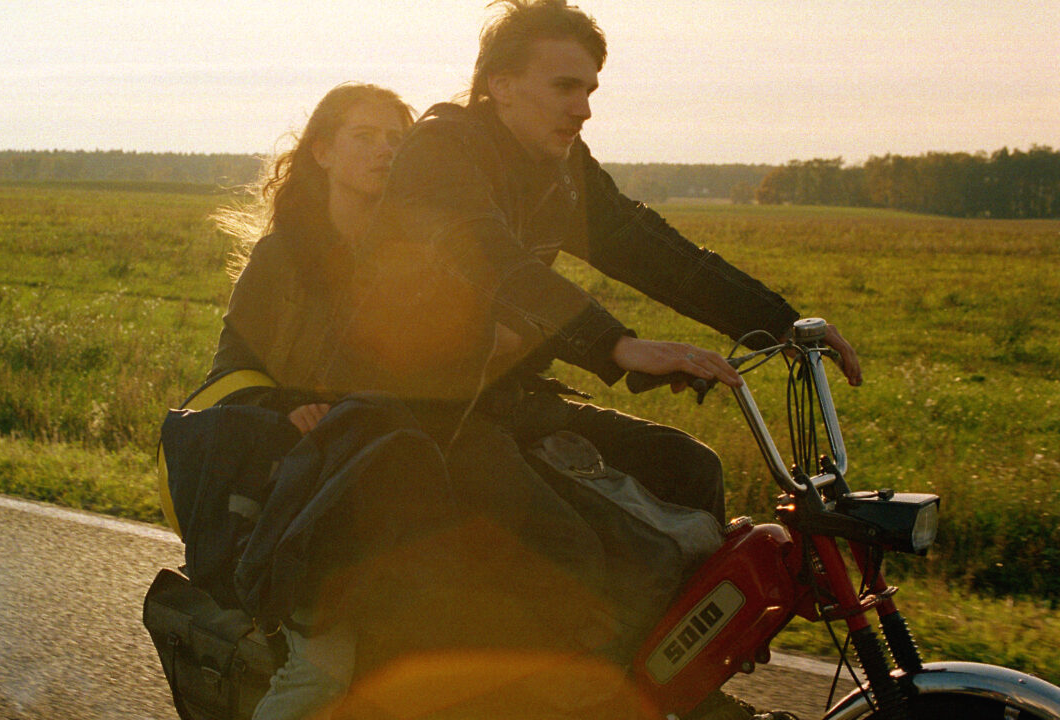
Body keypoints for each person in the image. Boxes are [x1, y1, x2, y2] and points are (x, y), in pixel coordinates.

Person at [309, 0, 860, 715]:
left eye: (591, 89)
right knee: (567, 550)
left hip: (502, 398)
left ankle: (670, 686)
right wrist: (615, 345)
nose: (584, 108)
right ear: (501, 86)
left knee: (688, 470)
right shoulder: (442, 151)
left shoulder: (561, 166)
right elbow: (492, 258)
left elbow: (651, 249)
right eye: (565, 86)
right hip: (408, 414)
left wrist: (781, 323)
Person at [200, 82, 416, 720]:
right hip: (300, 490)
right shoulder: (280, 257)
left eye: (396, 139)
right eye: (364, 136)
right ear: (322, 152)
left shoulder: (417, 257)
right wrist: (283, 411)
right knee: (323, 673)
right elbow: (229, 375)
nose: (384, 150)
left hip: (395, 481)